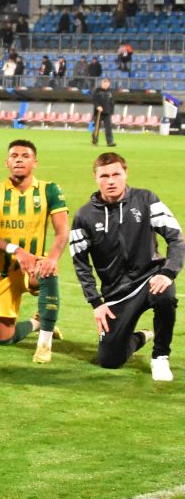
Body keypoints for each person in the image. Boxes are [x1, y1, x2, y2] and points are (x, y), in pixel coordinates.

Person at [69, 152, 179, 380]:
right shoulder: (84, 216)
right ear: (95, 177)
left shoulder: (146, 200)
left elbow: (176, 238)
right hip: (116, 294)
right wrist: (96, 302)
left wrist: (168, 273)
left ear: (125, 174)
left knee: (166, 296)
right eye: (104, 175)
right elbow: (80, 263)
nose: (111, 181)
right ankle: (139, 338)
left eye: (116, 174)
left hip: (150, 280)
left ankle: (160, 357)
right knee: (109, 361)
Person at [0, 138, 69, 361]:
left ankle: (44, 344)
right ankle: (38, 322)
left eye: (25, 156)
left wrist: (53, 258)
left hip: (34, 266)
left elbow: (62, 230)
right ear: (6, 162)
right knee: (3, 339)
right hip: (3, 272)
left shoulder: (50, 190)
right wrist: (16, 250)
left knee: (48, 270)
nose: (19, 160)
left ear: (34, 162)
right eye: (14, 156)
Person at [90, 77, 116, 146]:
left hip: (107, 113)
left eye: (107, 84)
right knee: (96, 128)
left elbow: (112, 102)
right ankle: (94, 141)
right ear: (102, 84)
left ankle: (110, 142)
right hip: (98, 113)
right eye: (104, 83)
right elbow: (94, 100)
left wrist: (111, 111)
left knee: (108, 128)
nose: (106, 85)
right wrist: (97, 106)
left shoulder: (110, 92)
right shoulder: (97, 91)